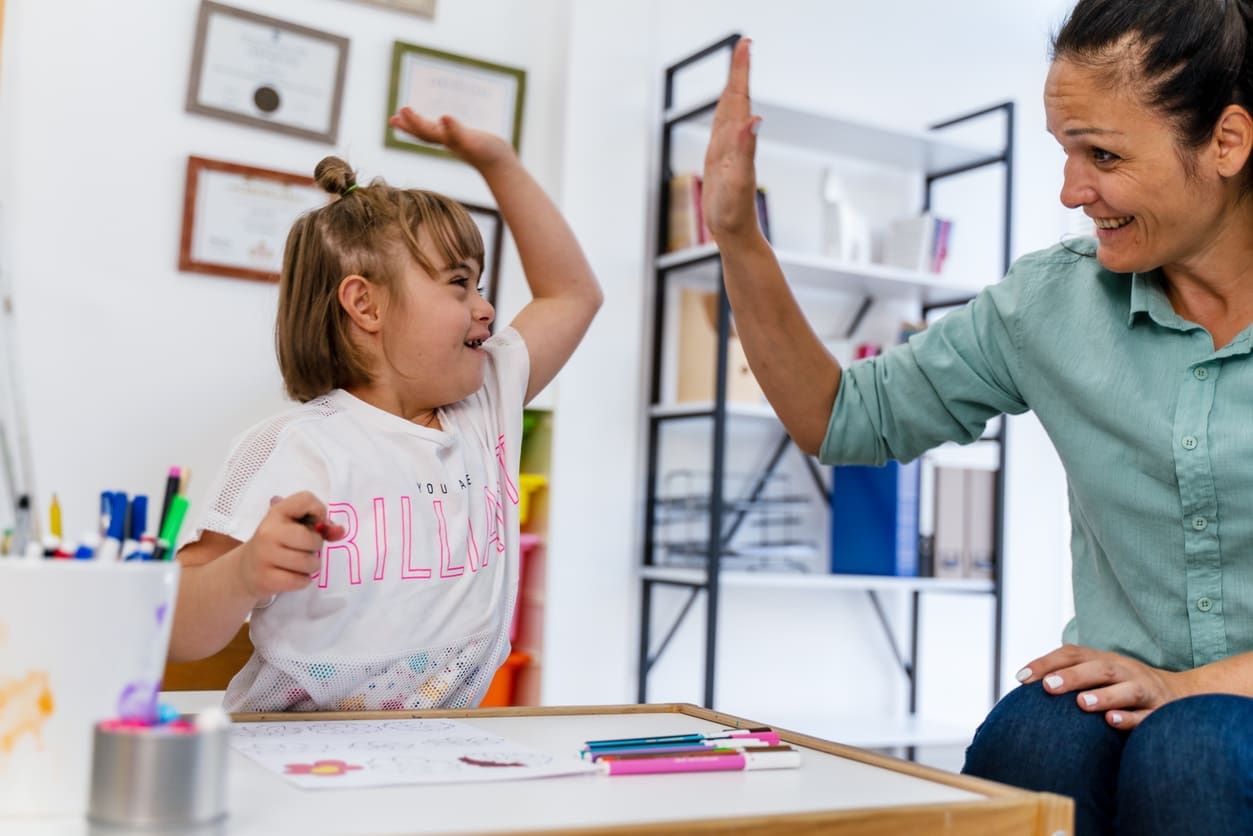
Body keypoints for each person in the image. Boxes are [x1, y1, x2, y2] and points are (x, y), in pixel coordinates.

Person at [700, 2, 1253, 833]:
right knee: (1034, 736)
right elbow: (843, 417)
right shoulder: (1051, 302)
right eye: (1064, 151)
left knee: (1195, 745)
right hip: (1125, 693)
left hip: (1215, 717)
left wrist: (1188, 688)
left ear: (1225, 142)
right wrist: (739, 237)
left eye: (1101, 154)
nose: (1072, 192)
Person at [166, 107, 602, 714]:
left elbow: (572, 293)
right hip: (289, 755)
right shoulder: (295, 447)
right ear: (365, 306)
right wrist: (242, 574)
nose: (486, 309)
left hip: (429, 753)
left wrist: (496, 163)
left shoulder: (486, 405)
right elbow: (178, 631)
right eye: (459, 283)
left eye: (479, 284)